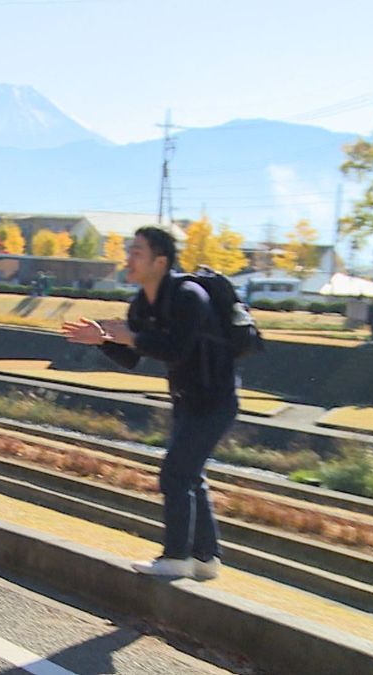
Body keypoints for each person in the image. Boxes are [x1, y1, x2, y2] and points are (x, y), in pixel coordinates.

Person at [62, 226, 237, 581]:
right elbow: (133, 358)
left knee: (176, 473)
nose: (129, 257)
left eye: (137, 251)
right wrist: (103, 341)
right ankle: (205, 558)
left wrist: (131, 336)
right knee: (190, 476)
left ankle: (175, 558)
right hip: (188, 399)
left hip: (216, 399)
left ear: (160, 261)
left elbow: (176, 349)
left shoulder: (189, 296)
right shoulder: (143, 302)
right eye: (130, 249)